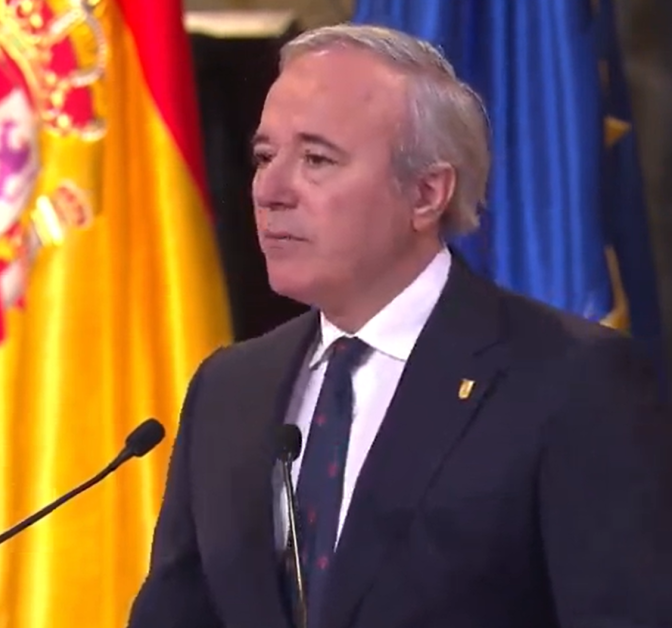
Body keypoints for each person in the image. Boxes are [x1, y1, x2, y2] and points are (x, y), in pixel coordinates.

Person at [126, 23, 672, 628]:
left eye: (316, 158)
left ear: (426, 193)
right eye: (263, 157)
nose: (271, 190)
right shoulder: (229, 389)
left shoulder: (571, 382)